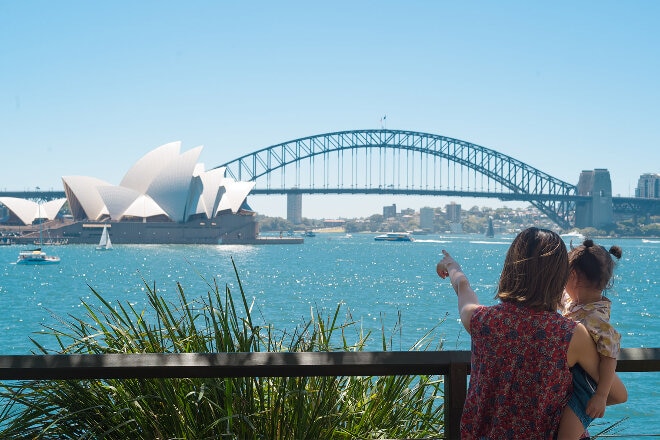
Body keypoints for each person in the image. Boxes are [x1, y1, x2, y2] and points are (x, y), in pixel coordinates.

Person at [435, 227, 627, 439]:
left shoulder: (481, 321)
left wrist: (452, 266)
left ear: (511, 268)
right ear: (561, 276)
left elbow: (463, 289)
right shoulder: (570, 334)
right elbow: (617, 394)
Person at [558, 239, 623, 438]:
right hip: (571, 380)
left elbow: (610, 356)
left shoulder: (595, 318)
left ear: (574, 276)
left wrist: (601, 396)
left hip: (585, 389)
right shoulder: (578, 303)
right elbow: (560, 298)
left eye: (563, 277)